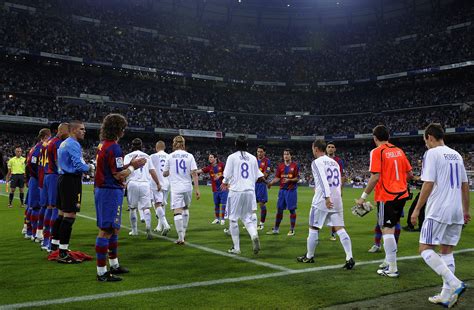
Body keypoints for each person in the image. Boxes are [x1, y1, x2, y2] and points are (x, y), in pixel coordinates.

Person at [410, 123, 470, 307]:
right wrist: (466, 210)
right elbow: (465, 185)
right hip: (456, 210)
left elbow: (428, 183)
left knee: (425, 248)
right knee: (446, 251)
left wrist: (417, 209)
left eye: (425, 140)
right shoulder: (457, 155)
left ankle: (455, 283)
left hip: (438, 210)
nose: (425, 144)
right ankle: (446, 295)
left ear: (429, 137)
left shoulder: (431, 154)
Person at [94, 114, 146, 281]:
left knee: (114, 228)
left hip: (103, 189)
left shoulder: (103, 145)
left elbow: (113, 168)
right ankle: (102, 272)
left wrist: (128, 165)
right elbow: (118, 175)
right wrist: (133, 166)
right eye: (123, 128)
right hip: (109, 191)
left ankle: (114, 264)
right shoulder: (114, 148)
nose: (124, 131)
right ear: (118, 129)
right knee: (106, 230)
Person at [356, 125, 412, 278]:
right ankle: (389, 261)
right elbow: (410, 174)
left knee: (386, 229)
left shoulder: (376, 151)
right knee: (392, 227)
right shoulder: (399, 151)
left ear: (375, 138)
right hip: (402, 194)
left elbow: (375, 177)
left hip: (387, 195)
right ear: (388, 136)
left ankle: (392, 268)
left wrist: (363, 197)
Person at [297, 140, 354, 269]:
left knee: (313, 227)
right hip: (337, 198)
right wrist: (336, 196)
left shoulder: (316, 162)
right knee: (340, 228)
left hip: (322, 200)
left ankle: (309, 256)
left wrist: (327, 197)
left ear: (316, 149)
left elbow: (323, 179)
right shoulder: (334, 162)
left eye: (313, 149)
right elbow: (338, 182)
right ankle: (349, 257)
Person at [55, 121, 92, 263]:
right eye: (82, 129)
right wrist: (90, 167)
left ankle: (56, 246)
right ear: (74, 130)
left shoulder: (64, 143)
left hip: (63, 179)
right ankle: (63, 253)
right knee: (70, 216)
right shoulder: (73, 144)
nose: (84, 131)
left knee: (61, 214)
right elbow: (79, 165)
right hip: (70, 181)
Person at [221, 136, 263, 255]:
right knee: (247, 218)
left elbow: (227, 174)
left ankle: (236, 248)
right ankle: (254, 235)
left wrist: (224, 183)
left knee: (233, 219)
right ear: (247, 145)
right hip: (250, 191)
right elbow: (257, 175)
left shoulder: (232, 157)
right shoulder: (253, 158)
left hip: (236, 191)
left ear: (235, 144)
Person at [163, 135, 200, 245]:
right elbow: (194, 173)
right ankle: (183, 231)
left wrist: (168, 172)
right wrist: (197, 189)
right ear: (184, 144)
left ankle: (180, 237)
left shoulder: (170, 156)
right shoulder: (190, 156)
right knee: (185, 208)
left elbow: (165, 173)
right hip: (188, 186)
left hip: (176, 187)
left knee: (177, 210)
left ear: (174, 144)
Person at [124, 138, 161, 239]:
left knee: (132, 208)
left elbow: (124, 169)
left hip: (132, 183)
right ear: (141, 146)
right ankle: (148, 228)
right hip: (145, 183)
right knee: (146, 208)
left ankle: (134, 230)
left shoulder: (128, 156)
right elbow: (152, 171)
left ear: (131, 146)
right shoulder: (147, 156)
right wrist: (158, 183)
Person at [43, 123, 69, 252]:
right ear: (61, 130)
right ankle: (50, 243)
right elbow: (60, 162)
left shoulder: (49, 141)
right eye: (68, 130)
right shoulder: (58, 143)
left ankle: (45, 240)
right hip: (54, 175)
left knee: (50, 206)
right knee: (56, 208)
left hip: (48, 174)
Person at [25, 128, 51, 241]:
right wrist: (37, 175)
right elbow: (31, 164)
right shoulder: (39, 148)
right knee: (36, 206)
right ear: (45, 137)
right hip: (37, 179)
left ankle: (29, 230)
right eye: (49, 137)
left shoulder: (35, 147)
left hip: (35, 178)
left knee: (32, 206)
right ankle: (34, 232)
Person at [266, 149, 299, 236]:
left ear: (290, 155)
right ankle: (276, 229)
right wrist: (271, 183)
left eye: (287, 154)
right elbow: (277, 177)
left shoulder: (295, 166)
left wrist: (289, 180)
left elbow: (297, 178)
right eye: (284, 154)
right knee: (279, 210)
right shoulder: (280, 166)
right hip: (282, 191)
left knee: (292, 210)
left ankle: (292, 229)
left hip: (291, 191)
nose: (286, 156)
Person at [197, 153, 228, 226]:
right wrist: (192, 171)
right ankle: (217, 219)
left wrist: (220, 175)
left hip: (223, 188)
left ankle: (223, 219)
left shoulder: (221, 165)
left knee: (223, 204)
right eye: (209, 157)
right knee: (216, 204)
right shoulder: (209, 167)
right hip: (215, 189)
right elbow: (200, 171)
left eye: (211, 157)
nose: (209, 159)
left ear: (215, 158)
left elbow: (228, 173)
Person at [150, 140, 171, 234]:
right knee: (162, 205)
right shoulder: (169, 156)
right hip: (167, 183)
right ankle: (159, 226)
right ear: (164, 147)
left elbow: (150, 170)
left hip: (156, 183)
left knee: (157, 204)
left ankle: (165, 225)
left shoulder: (153, 156)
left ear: (156, 147)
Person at [326, 141, 345, 241]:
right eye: (328, 147)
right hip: (324, 192)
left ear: (335, 149)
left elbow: (342, 176)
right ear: (326, 149)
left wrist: (340, 190)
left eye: (332, 147)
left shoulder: (339, 161)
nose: (330, 148)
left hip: (334, 192)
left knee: (334, 213)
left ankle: (333, 233)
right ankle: (314, 232)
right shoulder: (321, 160)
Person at [255, 145, 271, 230]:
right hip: (253, 184)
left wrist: (259, 177)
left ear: (264, 152)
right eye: (258, 151)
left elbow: (266, 174)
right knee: (251, 204)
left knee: (261, 204)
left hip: (261, 184)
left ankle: (261, 223)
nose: (259, 153)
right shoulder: (254, 160)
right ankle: (251, 222)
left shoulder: (267, 161)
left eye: (261, 151)